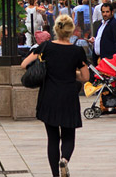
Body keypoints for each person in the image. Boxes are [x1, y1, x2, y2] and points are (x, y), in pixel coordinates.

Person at [21, 15, 89, 177]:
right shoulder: (77, 51)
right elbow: (85, 77)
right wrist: (72, 72)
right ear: (71, 30)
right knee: (68, 135)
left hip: (48, 96)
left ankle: (55, 175)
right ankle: (64, 159)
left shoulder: (45, 47)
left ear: (56, 30)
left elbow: (24, 64)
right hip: (68, 97)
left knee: (52, 138)